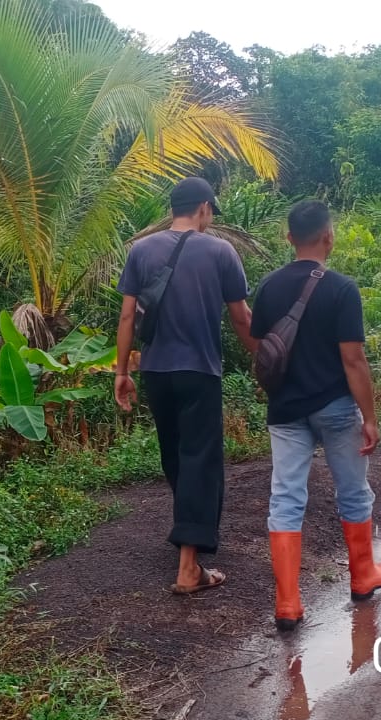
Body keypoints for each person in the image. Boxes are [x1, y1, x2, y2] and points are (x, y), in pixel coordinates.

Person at [250, 200, 381, 631]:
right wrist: (369, 416)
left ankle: (288, 602)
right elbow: (354, 360)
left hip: (286, 410)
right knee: (352, 491)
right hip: (335, 406)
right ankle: (362, 576)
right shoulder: (341, 288)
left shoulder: (269, 287)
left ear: (288, 238)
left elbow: (262, 350)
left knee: (286, 498)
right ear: (329, 237)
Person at [115, 177, 256, 594]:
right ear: (204, 208)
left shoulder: (141, 250)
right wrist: (264, 360)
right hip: (199, 371)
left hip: (156, 372)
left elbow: (127, 318)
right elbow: (242, 318)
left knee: (176, 455)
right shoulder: (220, 251)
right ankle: (189, 565)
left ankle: (188, 535)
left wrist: (122, 373)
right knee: (200, 459)